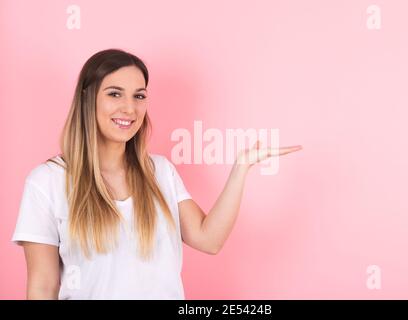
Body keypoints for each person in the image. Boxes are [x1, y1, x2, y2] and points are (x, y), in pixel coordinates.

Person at [11, 48, 302, 300]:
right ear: (88, 98)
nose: (129, 108)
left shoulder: (160, 172)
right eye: (115, 94)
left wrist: (241, 168)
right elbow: (43, 286)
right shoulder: (46, 182)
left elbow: (208, 239)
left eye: (139, 96)